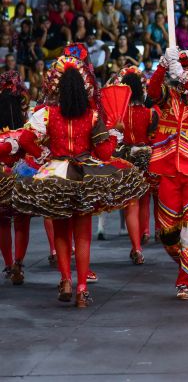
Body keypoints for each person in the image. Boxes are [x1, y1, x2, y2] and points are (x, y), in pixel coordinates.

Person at [11, 55, 147, 307]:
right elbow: (105, 153)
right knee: (82, 235)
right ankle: (83, 289)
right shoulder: (92, 116)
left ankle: (65, 280)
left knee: (61, 231)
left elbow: (25, 139)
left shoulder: (48, 114)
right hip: (86, 173)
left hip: (56, 172)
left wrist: (43, 154)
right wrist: (115, 133)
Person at [147, 48, 188, 300]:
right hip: (168, 170)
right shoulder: (169, 95)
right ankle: (187, 261)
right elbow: (152, 93)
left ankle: (186, 280)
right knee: (167, 232)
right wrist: (163, 66)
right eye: (185, 68)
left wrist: (185, 79)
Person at [114, 67, 159, 264]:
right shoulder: (150, 113)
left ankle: (137, 245)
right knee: (149, 196)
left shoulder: (117, 116)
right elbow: (153, 138)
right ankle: (152, 230)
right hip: (147, 156)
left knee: (131, 202)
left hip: (124, 159)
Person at [0, 71, 31, 285]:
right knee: (22, 219)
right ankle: (19, 263)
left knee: (2, 221)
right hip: (22, 172)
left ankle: (10, 264)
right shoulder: (25, 126)